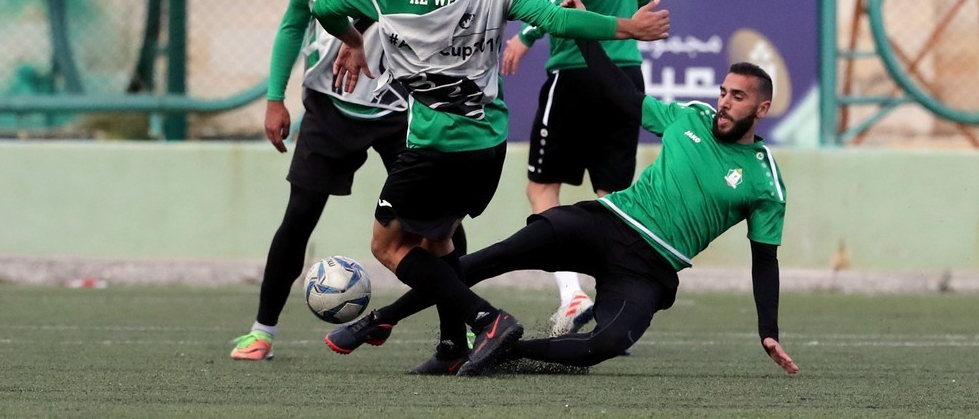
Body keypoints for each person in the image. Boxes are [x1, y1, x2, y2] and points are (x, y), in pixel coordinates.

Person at [313, 0, 670, 376]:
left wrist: (353, 41)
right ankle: (450, 348)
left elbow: (325, 7)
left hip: (432, 144)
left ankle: (487, 319)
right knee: (439, 241)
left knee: (387, 246)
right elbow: (557, 19)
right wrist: (628, 26)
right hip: (486, 147)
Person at [329, 44, 798, 379]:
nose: (723, 103)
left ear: (762, 108)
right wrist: (583, 38)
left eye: (737, 97)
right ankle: (381, 319)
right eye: (723, 92)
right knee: (490, 258)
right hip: (604, 223)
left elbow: (765, 261)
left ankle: (505, 352)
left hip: (650, 269)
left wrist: (769, 331)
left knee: (604, 345)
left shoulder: (766, 182)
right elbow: (622, 96)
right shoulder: (690, 117)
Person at [229, 0, 434, 361]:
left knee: (436, 221)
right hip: (331, 105)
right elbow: (293, 21)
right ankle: (262, 331)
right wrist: (275, 98)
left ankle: (465, 326)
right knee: (299, 216)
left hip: (402, 107)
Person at [501, 0, 664, 335]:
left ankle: (572, 296)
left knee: (541, 187)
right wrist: (625, 11)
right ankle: (616, 314)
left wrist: (527, 35)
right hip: (625, 75)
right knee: (614, 200)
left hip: (576, 70)